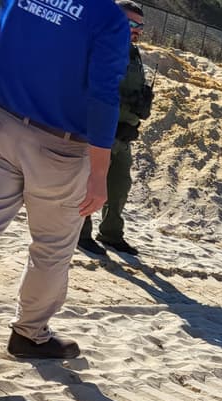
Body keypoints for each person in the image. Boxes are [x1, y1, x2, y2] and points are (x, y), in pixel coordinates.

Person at [0, 0, 130, 360]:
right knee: (52, 247)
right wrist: (100, 173)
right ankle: (29, 334)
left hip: (2, 119)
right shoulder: (107, 18)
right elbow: (103, 96)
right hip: (58, 146)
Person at [79, 0, 153, 257]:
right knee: (89, 184)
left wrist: (141, 105)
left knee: (119, 187)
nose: (137, 30)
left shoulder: (133, 53)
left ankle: (111, 234)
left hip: (124, 135)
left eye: (140, 26)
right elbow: (96, 91)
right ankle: (81, 232)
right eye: (131, 23)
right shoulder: (100, 46)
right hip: (100, 133)